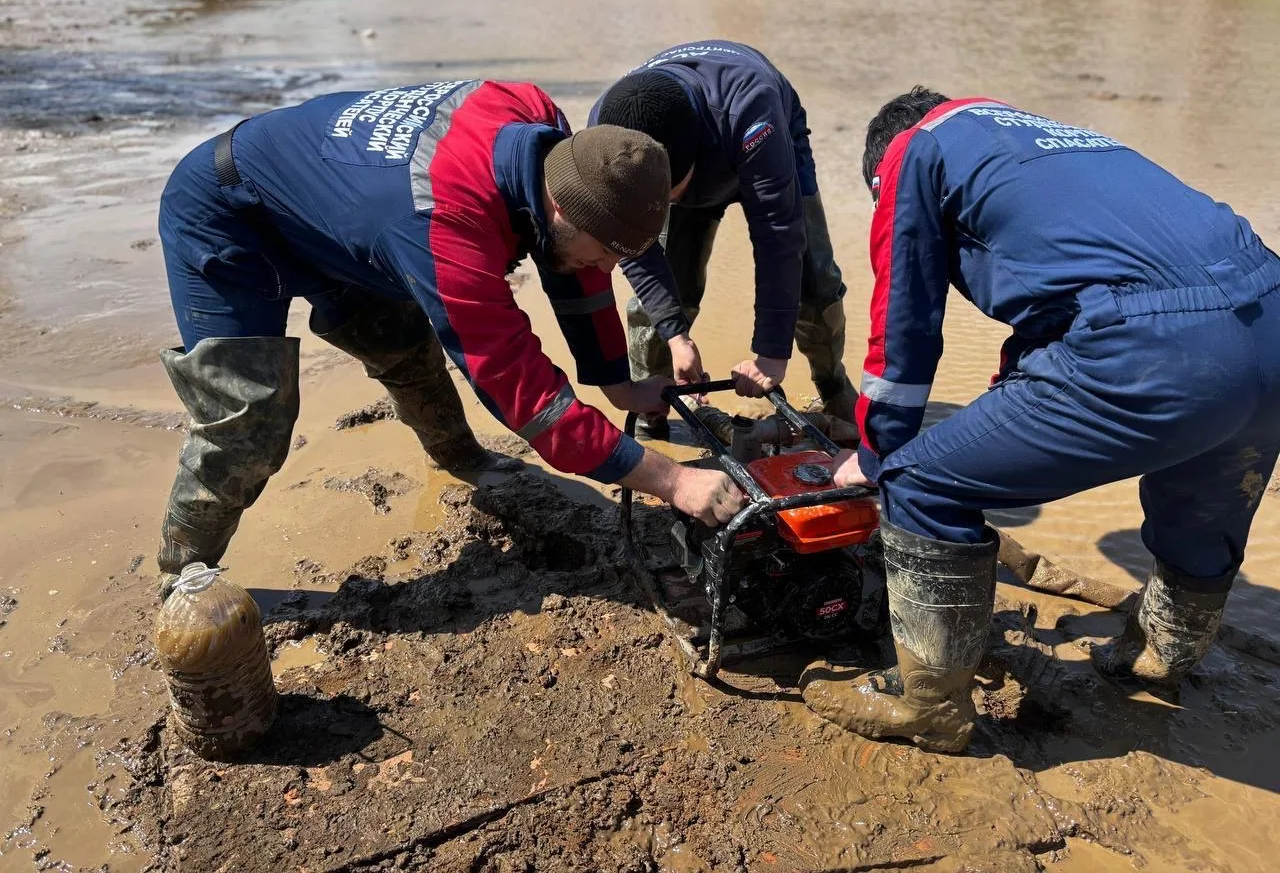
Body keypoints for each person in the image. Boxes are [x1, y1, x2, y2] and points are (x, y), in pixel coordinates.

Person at [801, 88, 1280, 753]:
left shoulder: (916, 154)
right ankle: (1160, 660)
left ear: (883, 171)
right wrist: (1004, 406)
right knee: (1202, 503)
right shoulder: (1044, 138)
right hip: (1270, 321)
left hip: (1161, 351)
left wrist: (879, 450)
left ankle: (929, 704)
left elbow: (902, 328)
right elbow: (1069, 297)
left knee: (920, 484)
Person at [155, 79, 744, 594]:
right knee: (248, 418)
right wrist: (672, 480)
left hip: (344, 214)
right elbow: (528, 398)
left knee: (404, 346)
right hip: (229, 210)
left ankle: (460, 459)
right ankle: (183, 573)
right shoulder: (447, 229)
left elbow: (576, 268)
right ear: (564, 209)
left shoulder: (541, 125)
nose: (610, 272)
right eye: (607, 254)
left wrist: (619, 384)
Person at [590, 40, 856, 437]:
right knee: (666, 289)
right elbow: (630, 241)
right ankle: (653, 401)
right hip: (684, 158)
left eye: (667, 198)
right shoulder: (606, 133)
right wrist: (676, 335)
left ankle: (833, 385)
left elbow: (777, 234)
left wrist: (771, 353)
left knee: (814, 280)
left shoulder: (752, 109)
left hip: (761, 135)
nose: (661, 209)